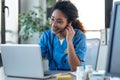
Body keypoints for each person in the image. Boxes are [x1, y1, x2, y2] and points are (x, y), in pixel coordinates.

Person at [39, 1, 86, 71]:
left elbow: (75, 69)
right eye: (52, 19)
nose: (53, 24)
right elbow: (36, 59)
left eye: (59, 21)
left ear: (69, 23)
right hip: (53, 77)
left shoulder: (79, 36)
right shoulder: (46, 36)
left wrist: (69, 41)